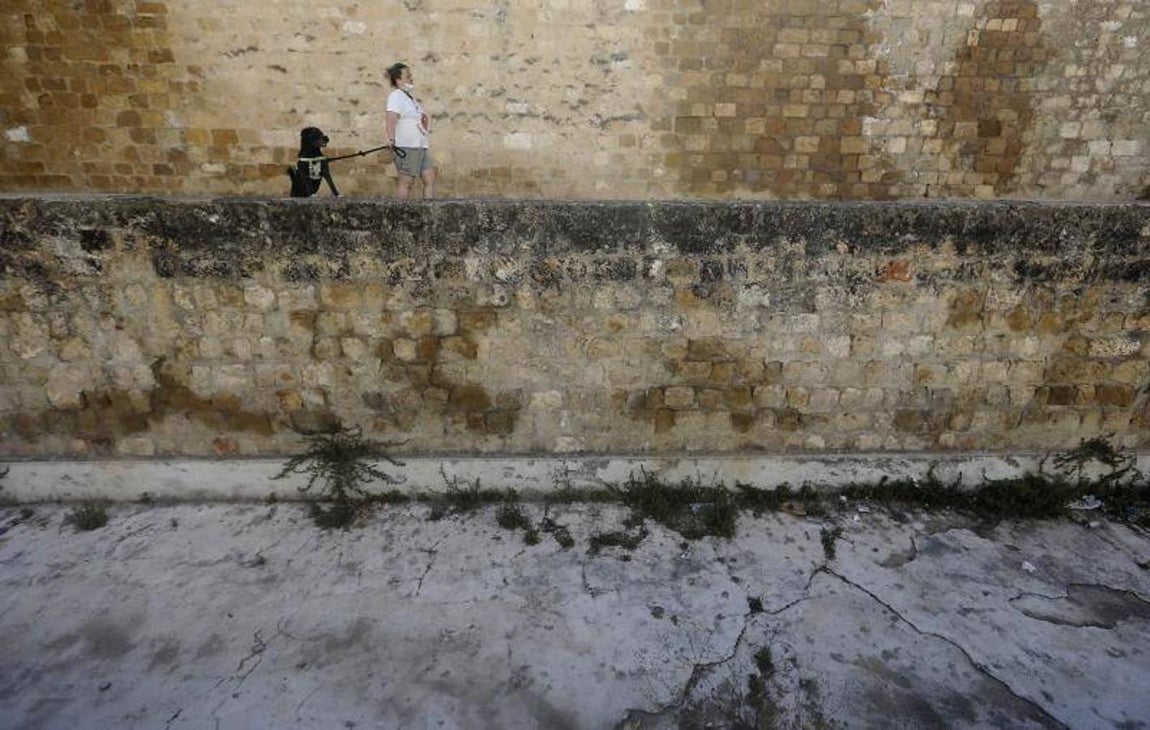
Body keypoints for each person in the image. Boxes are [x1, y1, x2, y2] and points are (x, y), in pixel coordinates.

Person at [385, 62, 436, 199]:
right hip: (407, 146)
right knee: (406, 181)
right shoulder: (396, 96)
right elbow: (391, 119)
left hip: (420, 145)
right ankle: (400, 215)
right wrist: (391, 139)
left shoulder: (409, 98)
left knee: (429, 178)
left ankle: (429, 211)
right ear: (398, 79)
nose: (411, 78)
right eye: (407, 76)